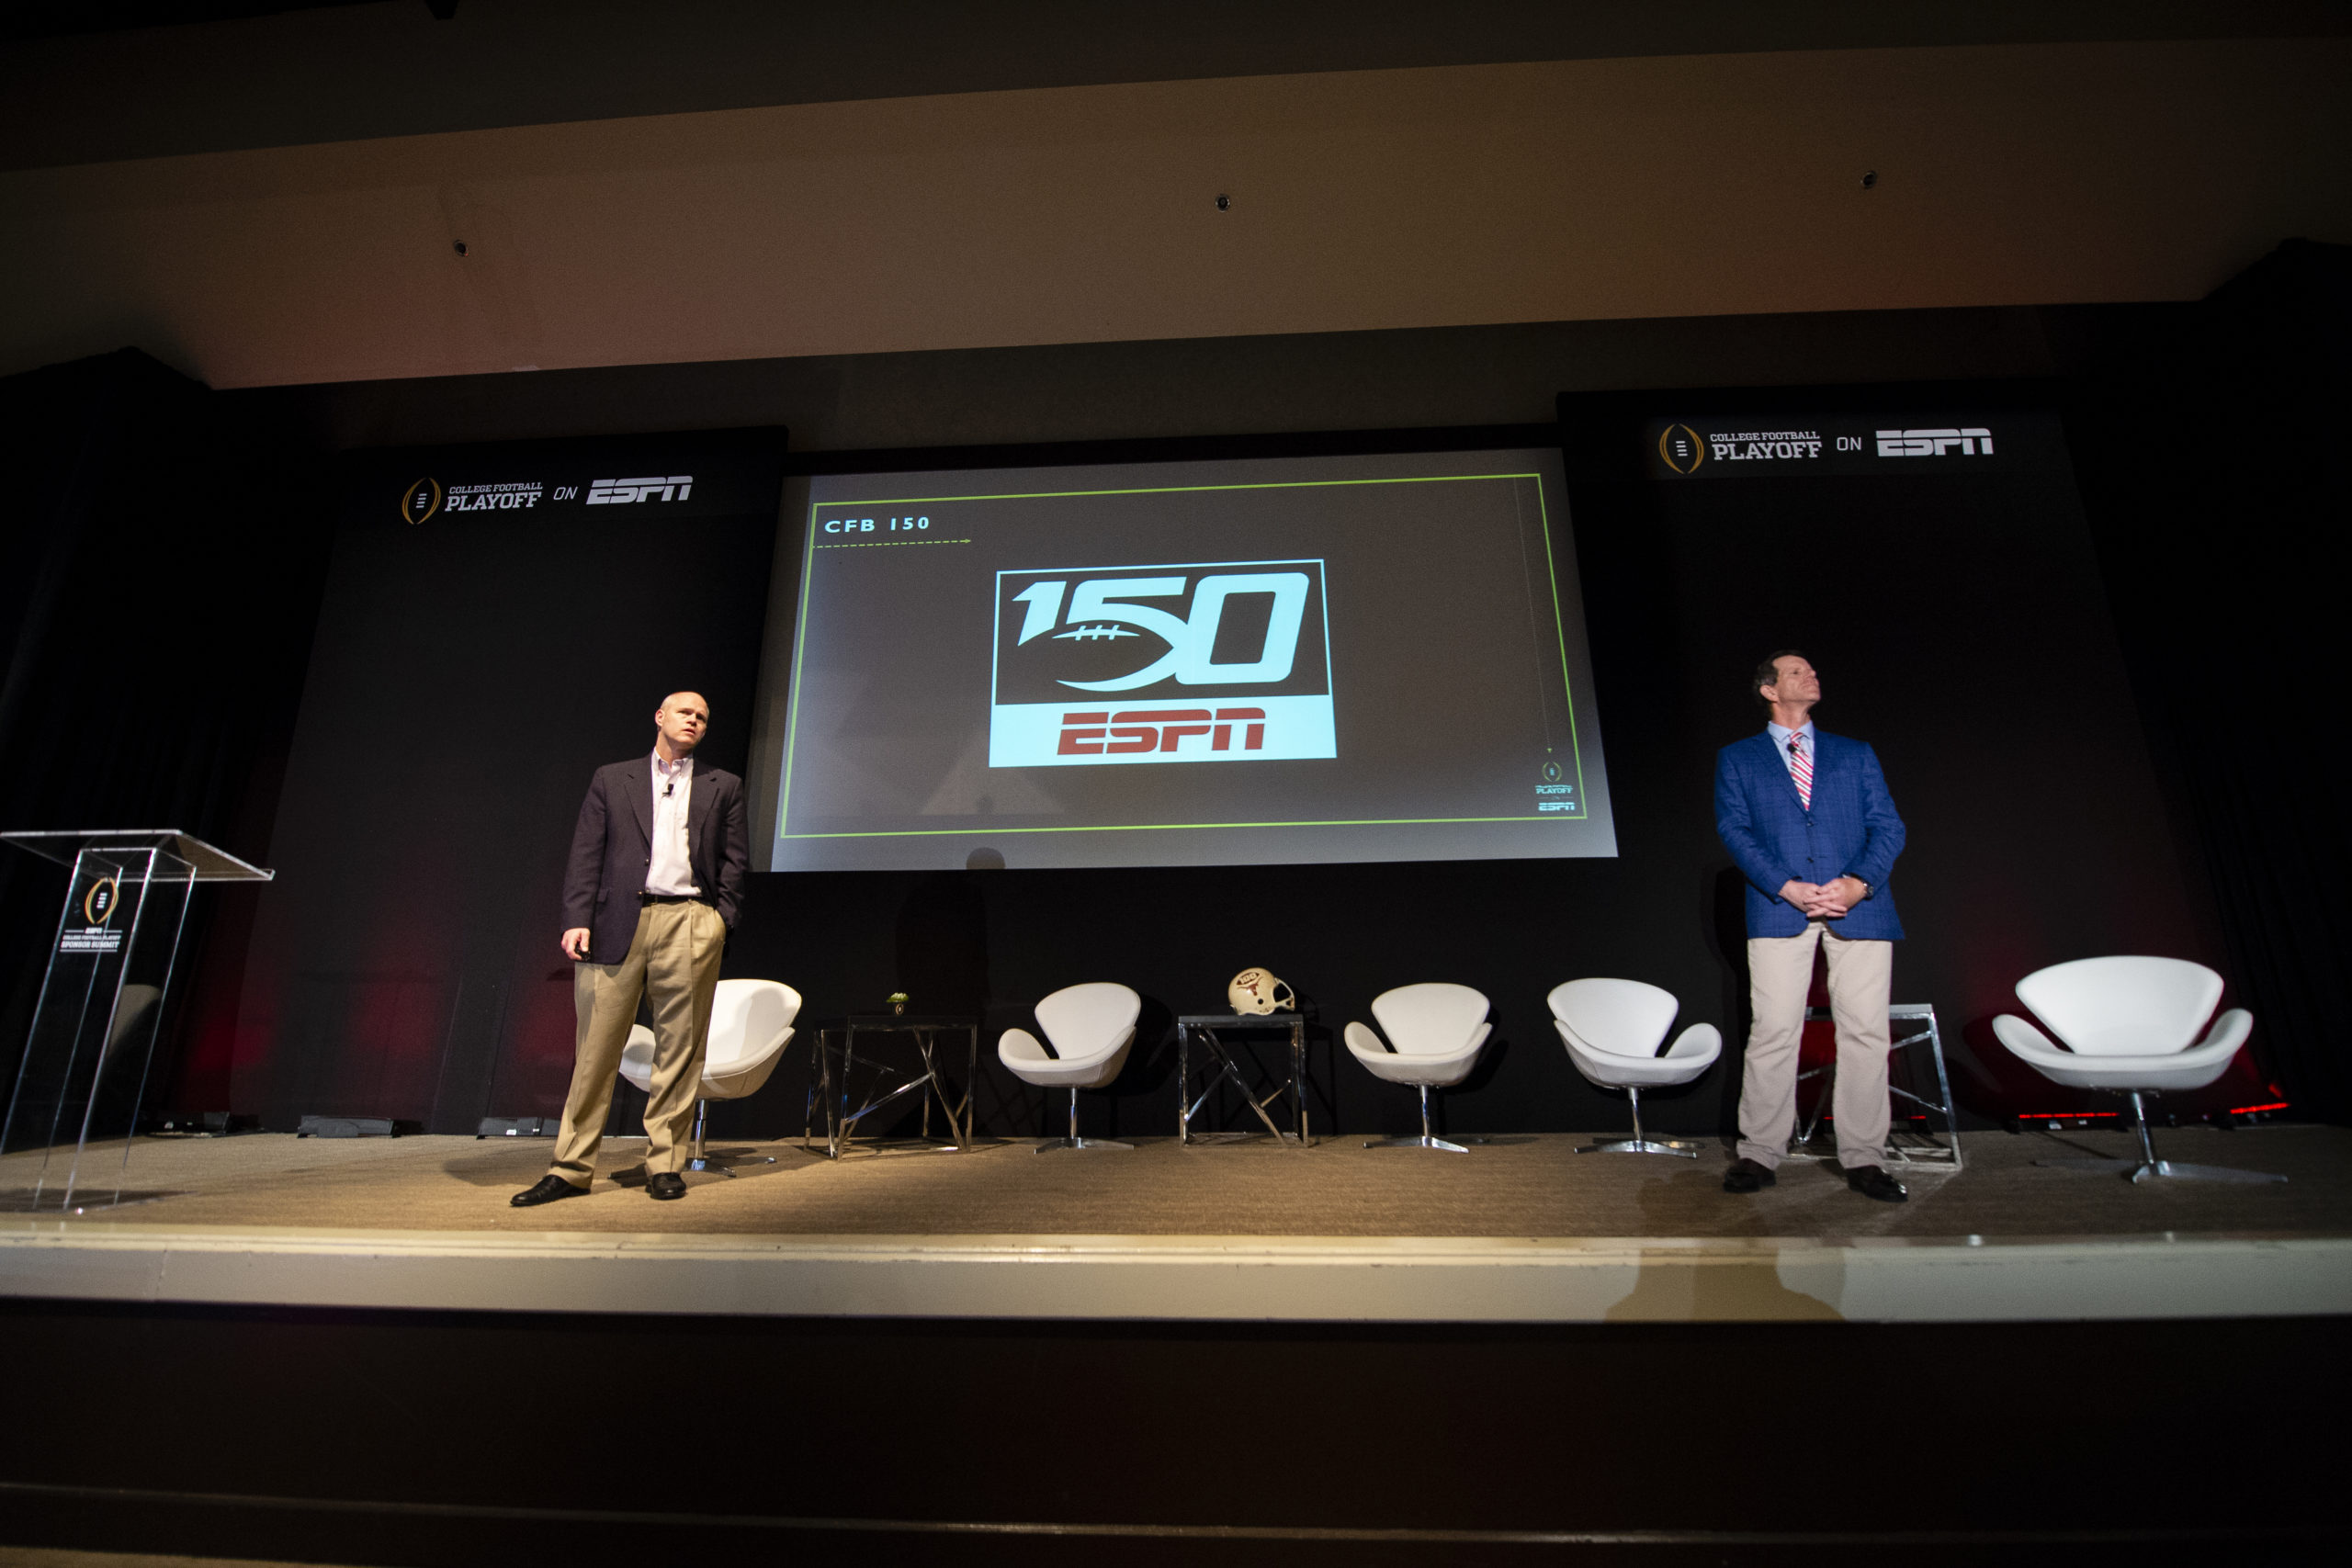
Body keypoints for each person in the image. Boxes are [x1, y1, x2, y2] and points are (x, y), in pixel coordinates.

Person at [511, 692, 749, 1206]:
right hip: (617, 921)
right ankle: (570, 1168)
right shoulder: (611, 778)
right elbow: (586, 852)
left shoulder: (722, 785)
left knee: (679, 1053)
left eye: (703, 717)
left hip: (690, 921)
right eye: (686, 712)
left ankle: (664, 1164)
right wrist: (577, 918)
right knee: (595, 1051)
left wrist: (719, 922)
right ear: (660, 718)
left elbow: (734, 862)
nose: (695, 720)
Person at [1714, 651, 1910, 1202]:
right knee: (1774, 1029)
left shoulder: (1855, 754)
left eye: (1814, 670)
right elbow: (1735, 830)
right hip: (1780, 907)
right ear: (1770, 690)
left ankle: (1866, 1158)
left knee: (1866, 1032)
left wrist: (1859, 884)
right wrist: (1786, 885)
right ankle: (1759, 1152)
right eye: (1797, 672)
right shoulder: (1739, 759)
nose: (1812, 675)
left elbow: (1888, 827)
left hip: (1859, 906)